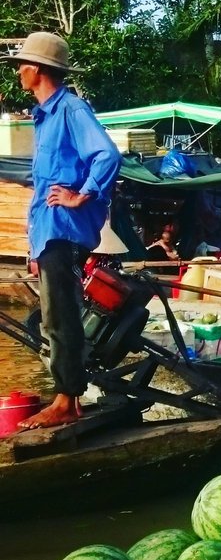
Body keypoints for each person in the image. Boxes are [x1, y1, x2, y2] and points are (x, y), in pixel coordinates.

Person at [4, 32, 121, 429]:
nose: (19, 71)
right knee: (52, 317)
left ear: (36, 70)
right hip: (51, 232)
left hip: (66, 229)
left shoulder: (70, 108)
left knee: (62, 318)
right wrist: (35, 247)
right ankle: (65, 394)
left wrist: (81, 195)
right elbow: (42, 189)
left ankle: (66, 401)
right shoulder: (44, 117)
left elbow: (106, 154)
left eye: (23, 65)